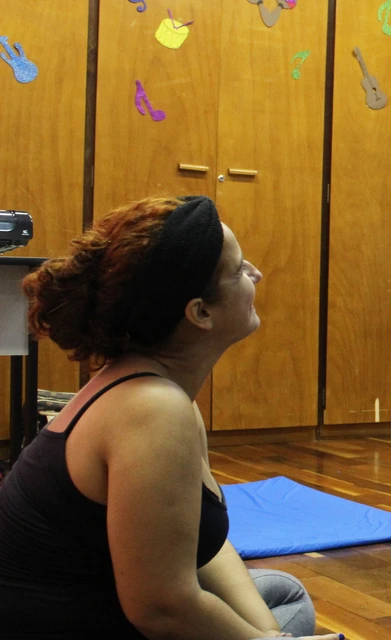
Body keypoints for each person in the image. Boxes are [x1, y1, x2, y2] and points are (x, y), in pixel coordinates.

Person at [0, 196, 339, 640]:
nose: (255, 273)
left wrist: (271, 636)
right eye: (238, 271)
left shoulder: (156, 389)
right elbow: (161, 608)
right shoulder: (153, 411)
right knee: (285, 606)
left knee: (284, 593)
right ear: (200, 312)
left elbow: (196, 542)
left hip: (94, 606)